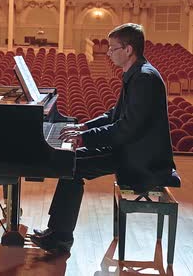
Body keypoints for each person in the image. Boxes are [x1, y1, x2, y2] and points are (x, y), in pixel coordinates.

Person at [30, 23, 176, 253]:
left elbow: (127, 129)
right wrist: (84, 127)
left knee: (72, 164)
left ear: (128, 50)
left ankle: (60, 238)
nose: (108, 52)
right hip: (129, 149)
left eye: (112, 48)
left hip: (141, 159)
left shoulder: (144, 78)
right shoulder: (136, 73)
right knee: (72, 159)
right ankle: (57, 233)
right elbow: (113, 115)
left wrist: (85, 138)